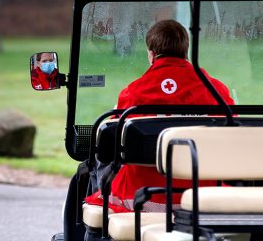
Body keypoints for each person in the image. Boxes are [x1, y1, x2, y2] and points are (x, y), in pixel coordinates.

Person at [84, 19, 234, 213]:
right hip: (202, 197)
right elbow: (231, 134)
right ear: (185, 52)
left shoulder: (133, 92)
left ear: (151, 54)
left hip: (140, 199)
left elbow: (110, 144)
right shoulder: (216, 91)